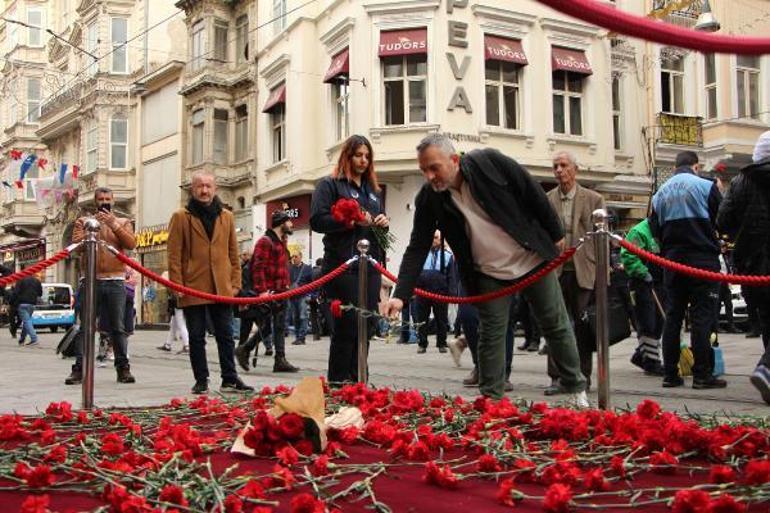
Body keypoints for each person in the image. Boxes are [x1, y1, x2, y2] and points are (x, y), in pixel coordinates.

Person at [386, 134, 588, 405]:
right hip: (489, 272)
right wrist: (400, 294)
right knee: (490, 335)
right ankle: (491, 404)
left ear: (454, 160)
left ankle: (577, 390)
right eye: (424, 170)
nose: (430, 176)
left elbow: (530, 189)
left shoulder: (488, 162)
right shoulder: (429, 198)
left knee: (555, 324)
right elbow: (417, 247)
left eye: (435, 167)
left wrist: (554, 232)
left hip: (530, 258)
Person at [310, 134, 387, 385]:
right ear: (348, 156)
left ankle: (359, 380)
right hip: (342, 266)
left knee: (368, 326)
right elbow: (317, 221)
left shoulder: (374, 191)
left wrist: (382, 225)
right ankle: (339, 382)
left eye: (367, 156)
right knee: (348, 327)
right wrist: (349, 221)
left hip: (370, 266)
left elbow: (377, 233)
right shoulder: (330, 185)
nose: (363, 160)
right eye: (358, 155)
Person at [167, 171, 253, 394]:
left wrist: (235, 283)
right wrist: (177, 286)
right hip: (192, 286)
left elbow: (234, 253)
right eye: (199, 186)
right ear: (192, 190)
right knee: (196, 337)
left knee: (225, 334)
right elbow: (174, 255)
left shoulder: (226, 216)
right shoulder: (181, 217)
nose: (204, 191)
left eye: (208, 186)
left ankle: (230, 378)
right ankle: (201, 379)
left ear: (215, 189)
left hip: (222, 286)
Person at [649, 150, 726, 390]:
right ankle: (702, 375)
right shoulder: (705, 186)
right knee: (702, 317)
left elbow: (654, 229)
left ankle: (670, 374)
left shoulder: (659, 194)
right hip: (702, 261)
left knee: (673, 317)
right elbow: (722, 219)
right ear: (696, 166)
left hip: (673, 262)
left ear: (674, 168)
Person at [545, 151, 605, 394]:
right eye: (555, 166)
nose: (559, 170)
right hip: (556, 271)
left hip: (584, 270)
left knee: (583, 327)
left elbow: (602, 240)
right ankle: (557, 377)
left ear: (575, 169)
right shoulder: (547, 199)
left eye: (563, 165)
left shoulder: (593, 199)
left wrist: (603, 278)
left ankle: (583, 376)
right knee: (555, 325)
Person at [717, 130, 770, 403]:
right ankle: (766, 369)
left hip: (751, 265)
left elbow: (722, 220)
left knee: (766, 320)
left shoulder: (740, 181)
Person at [66, 187, 137, 385]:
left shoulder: (122, 222)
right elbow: (77, 247)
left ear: (113, 201)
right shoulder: (83, 222)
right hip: (90, 280)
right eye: (101, 199)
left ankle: (123, 368)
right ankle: (79, 368)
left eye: (107, 198)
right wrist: (93, 228)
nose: (104, 201)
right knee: (84, 326)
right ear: (95, 202)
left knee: (118, 327)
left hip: (114, 279)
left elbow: (131, 243)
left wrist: (113, 224)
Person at [242, 210, 300, 373]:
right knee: (268, 327)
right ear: (282, 223)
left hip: (281, 291)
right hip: (270, 292)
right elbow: (257, 268)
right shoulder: (265, 241)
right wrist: (262, 292)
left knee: (278, 326)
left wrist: (286, 284)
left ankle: (278, 359)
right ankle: (246, 350)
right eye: (289, 221)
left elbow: (280, 268)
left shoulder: (281, 241)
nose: (291, 224)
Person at [621, 218, 665, 376]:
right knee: (648, 322)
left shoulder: (665, 228)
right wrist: (642, 272)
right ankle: (651, 362)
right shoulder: (639, 232)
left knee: (659, 321)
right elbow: (628, 256)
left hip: (659, 282)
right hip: (642, 283)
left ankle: (642, 355)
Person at [414, 230, 454, 354]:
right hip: (422, 292)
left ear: (441, 239)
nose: (433, 240)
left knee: (441, 319)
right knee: (421, 319)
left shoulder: (448, 256)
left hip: (440, 293)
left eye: (436, 237)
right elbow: (413, 273)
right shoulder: (420, 254)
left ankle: (441, 343)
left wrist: (451, 294)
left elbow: (451, 277)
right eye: (431, 237)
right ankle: (422, 344)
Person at [288, 251, 313, 345]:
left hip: (303, 296)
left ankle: (302, 337)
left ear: (301, 257)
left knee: (303, 316)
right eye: (293, 256)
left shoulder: (307, 268)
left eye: (296, 256)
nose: (294, 258)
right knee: (295, 318)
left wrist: (309, 294)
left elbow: (312, 282)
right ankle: (298, 336)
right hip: (292, 296)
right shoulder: (290, 268)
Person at [14, 271, 43, 346]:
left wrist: (12, 302)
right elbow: (40, 293)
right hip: (32, 304)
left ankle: (34, 339)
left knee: (27, 321)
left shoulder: (20, 280)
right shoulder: (37, 281)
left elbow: (16, 293)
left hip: (22, 304)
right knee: (27, 322)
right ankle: (22, 340)